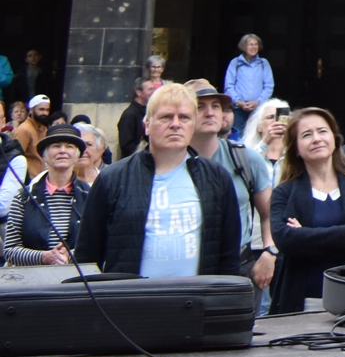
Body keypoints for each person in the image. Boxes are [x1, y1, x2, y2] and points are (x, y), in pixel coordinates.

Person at [72, 79, 241, 279]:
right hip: (130, 302)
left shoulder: (216, 178)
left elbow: (229, 256)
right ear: (147, 125)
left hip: (195, 302)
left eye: (184, 117)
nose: (176, 124)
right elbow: (87, 255)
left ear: (193, 124)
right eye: (166, 117)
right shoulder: (112, 179)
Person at [265, 107, 345, 315]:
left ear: (335, 139)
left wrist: (306, 236)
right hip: (303, 301)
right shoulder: (285, 192)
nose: (316, 139)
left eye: (322, 131)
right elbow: (285, 240)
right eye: (307, 135)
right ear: (296, 148)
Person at [186, 78, 273, 299]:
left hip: (238, 268)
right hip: (187, 269)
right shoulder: (171, 163)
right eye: (200, 107)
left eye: (216, 106)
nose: (210, 113)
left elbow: (269, 213)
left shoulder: (245, 158)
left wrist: (269, 252)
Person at [4, 124, 88, 265]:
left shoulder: (89, 196)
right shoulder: (24, 197)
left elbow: (98, 243)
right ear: (44, 155)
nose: (62, 151)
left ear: (77, 156)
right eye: (56, 146)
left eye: (69, 146)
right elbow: (10, 250)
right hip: (33, 282)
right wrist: (45, 257)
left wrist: (69, 256)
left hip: (77, 282)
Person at [223, 36, 272, 140]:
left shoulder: (263, 63)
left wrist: (258, 102)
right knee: (237, 136)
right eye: (251, 44)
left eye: (256, 44)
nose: (254, 47)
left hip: (257, 109)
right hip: (239, 109)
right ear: (244, 46)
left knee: (255, 137)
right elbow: (229, 86)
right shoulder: (235, 63)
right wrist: (238, 102)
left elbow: (269, 86)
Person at [116, 75, 159, 160]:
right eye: (150, 89)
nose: (154, 92)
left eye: (154, 89)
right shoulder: (130, 115)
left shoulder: (148, 111)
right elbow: (126, 145)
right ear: (139, 92)